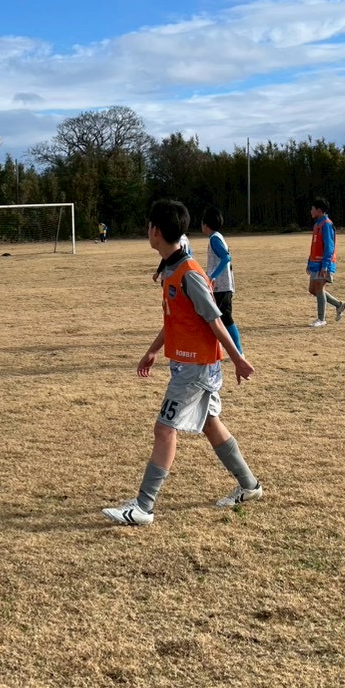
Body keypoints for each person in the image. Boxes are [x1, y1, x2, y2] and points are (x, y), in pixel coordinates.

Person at [103, 199, 261, 528]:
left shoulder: (189, 274)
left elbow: (214, 320)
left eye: (149, 226)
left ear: (156, 232)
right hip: (189, 364)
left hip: (196, 368)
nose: (148, 230)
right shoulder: (171, 269)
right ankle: (250, 486)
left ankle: (143, 507)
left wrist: (237, 359)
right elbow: (176, 321)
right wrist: (153, 351)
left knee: (164, 428)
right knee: (210, 424)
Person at [200, 206, 242, 354]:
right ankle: (219, 349)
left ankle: (238, 352)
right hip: (220, 286)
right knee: (216, 318)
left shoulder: (215, 239)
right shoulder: (216, 237)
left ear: (205, 224)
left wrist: (212, 276)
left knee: (225, 318)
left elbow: (226, 258)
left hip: (222, 287)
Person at [307, 197, 345, 328]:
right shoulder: (317, 224)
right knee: (313, 289)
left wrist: (325, 266)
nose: (311, 211)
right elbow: (314, 246)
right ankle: (339, 305)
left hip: (324, 264)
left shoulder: (327, 224)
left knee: (319, 288)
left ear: (319, 210)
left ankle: (321, 319)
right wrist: (309, 262)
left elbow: (329, 247)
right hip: (315, 263)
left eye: (312, 209)